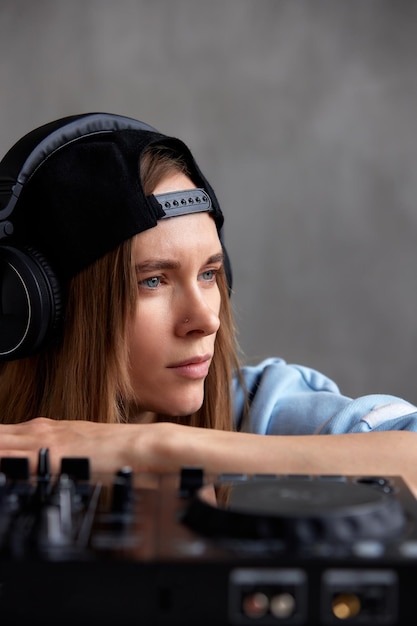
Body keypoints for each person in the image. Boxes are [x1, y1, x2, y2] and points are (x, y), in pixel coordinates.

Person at [1, 112, 417, 495]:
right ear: (35, 307)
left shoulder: (259, 405)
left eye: (209, 274)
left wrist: (157, 450)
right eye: (153, 280)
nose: (206, 320)